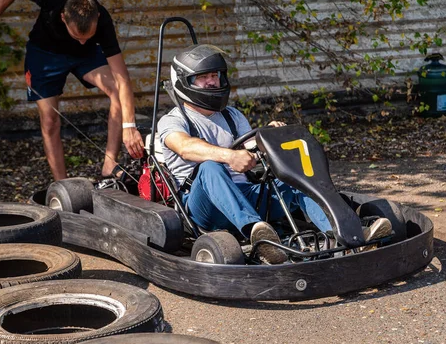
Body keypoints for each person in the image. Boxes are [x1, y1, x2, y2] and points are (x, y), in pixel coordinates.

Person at [158, 44, 392, 264]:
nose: (212, 82)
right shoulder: (173, 120)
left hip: (248, 194)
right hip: (205, 208)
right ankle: (260, 238)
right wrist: (229, 156)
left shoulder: (232, 115)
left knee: (294, 179)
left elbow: (250, 146)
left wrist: (270, 138)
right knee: (211, 166)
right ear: (184, 81)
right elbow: (184, 146)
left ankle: (347, 235)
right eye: (203, 77)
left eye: (215, 75)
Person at [0, 0, 145, 181]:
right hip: (44, 54)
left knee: (116, 90)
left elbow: (122, 78)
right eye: (77, 36)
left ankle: (109, 164)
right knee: (49, 120)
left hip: (85, 56)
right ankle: (62, 185)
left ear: (97, 17)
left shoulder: (103, 20)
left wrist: (129, 126)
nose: (82, 41)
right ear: (63, 18)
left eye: (87, 36)